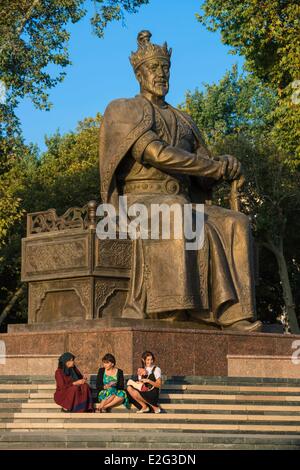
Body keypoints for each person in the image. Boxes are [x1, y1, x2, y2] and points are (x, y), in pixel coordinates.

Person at [98, 30, 262, 332]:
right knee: (174, 212)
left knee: (235, 222)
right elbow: (157, 153)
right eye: (153, 68)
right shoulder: (123, 109)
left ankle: (234, 312)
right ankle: (173, 308)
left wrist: (225, 165)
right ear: (139, 73)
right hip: (139, 202)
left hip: (184, 200)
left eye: (165, 68)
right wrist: (211, 168)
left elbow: (204, 169)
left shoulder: (184, 118)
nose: (161, 74)